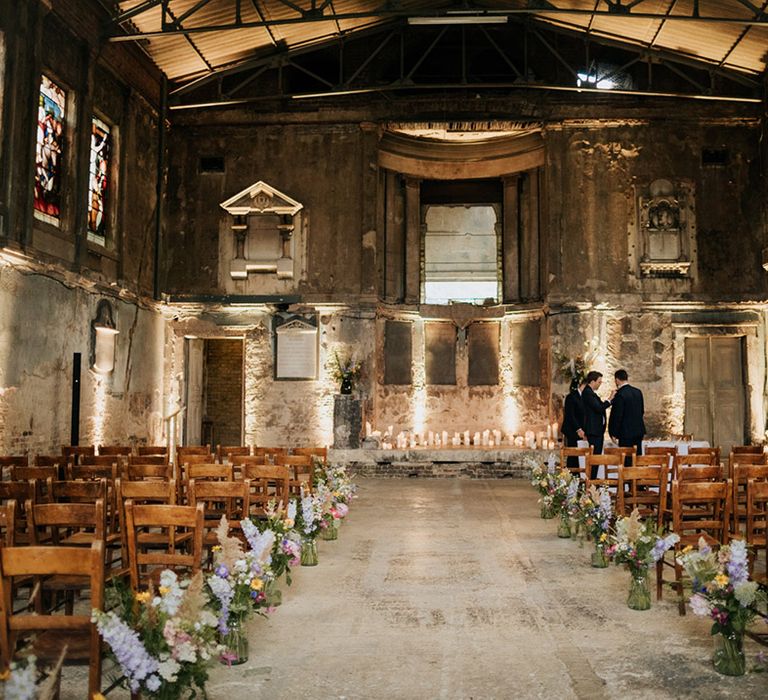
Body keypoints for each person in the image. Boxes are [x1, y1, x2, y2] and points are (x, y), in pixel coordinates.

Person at [608, 368, 645, 460]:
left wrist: (613, 432)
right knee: (637, 459)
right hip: (638, 431)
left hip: (625, 433)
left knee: (626, 461)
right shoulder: (638, 392)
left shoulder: (620, 394)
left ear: (616, 380)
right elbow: (641, 411)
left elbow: (617, 415)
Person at [582, 371, 613, 473]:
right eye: (599, 382)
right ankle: (592, 483)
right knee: (595, 458)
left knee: (596, 457)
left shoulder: (591, 393)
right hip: (593, 431)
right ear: (592, 381)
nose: (600, 384)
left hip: (597, 431)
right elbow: (599, 408)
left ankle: (593, 482)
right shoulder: (587, 393)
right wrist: (610, 399)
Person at [560, 377, 586, 468]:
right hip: (572, 430)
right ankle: (570, 475)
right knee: (573, 454)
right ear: (583, 385)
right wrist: (578, 429)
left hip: (581, 430)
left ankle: (578, 475)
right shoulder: (571, 397)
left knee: (579, 454)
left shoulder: (585, 397)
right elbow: (570, 415)